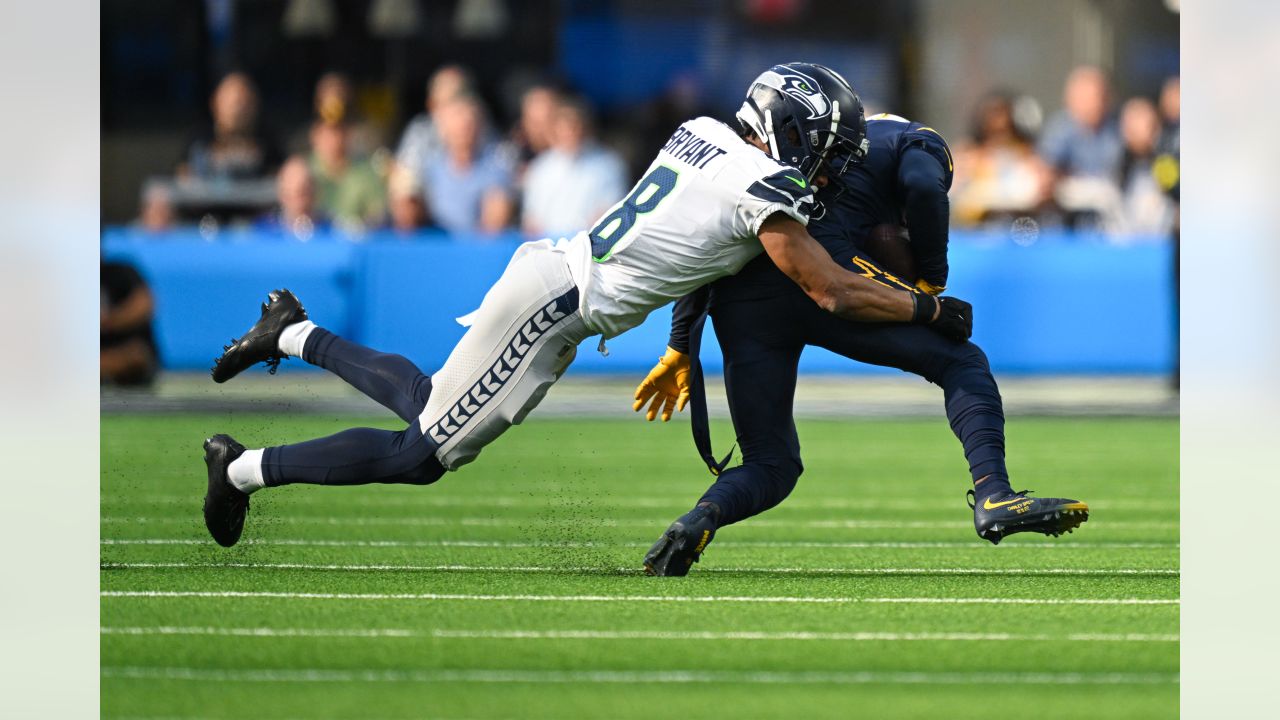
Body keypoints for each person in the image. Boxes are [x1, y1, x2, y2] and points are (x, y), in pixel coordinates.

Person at [198, 63, 974, 549]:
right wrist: (927, 311)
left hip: (553, 282)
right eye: (828, 149)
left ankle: (291, 331)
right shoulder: (759, 188)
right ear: (792, 131)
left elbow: (705, 252)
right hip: (560, 302)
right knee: (423, 455)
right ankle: (242, 471)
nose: (832, 169)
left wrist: (679, 343)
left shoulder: (702, 131)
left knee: (433, 402)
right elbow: (828, 287)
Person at [633, 112, 1089, 576]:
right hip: (823, 269)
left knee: (771, 464)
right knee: (961, 360)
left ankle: (699, 518)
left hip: (740, 299)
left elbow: (711, 245)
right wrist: (932, 281)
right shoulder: (913, 139)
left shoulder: (769, 154)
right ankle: (993, 492)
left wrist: (678, 346)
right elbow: (924, 186)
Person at [521, 97, 628, 238]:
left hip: (590, 248)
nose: (569, 133)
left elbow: (609, 215)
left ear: (585, 128)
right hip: (548, 249)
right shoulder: (540, 168)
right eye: (563, 127)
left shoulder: (608, 165)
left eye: (574, 126)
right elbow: (531, 221)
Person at [1036, 66, 1123, 226]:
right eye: (1090, 97)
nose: (1097, 103)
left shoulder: (1117, 128)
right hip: (1069, 219)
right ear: (1071, 99)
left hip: (1111, 216)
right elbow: (1045, 170)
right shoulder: (1060, 129)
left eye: (1101, 96)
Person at [949, 91, 1051, 226]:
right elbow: (951, 193)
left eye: (1004, 118)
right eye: (992, 117)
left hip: (1020, 223)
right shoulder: (967, 155)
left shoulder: (1028, 154)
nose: (999, 122)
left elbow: (1044, 187)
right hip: (976, 229)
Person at [422, 94, 515, 234]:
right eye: (456, 120)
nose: (463, 128)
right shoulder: (429, 169)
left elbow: (495, 224)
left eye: (469, 124)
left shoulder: (496, 169)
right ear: (443, 127)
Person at [178, 72, 283, 181]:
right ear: (215, 103)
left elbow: (280, 176)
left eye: (245, 102)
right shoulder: (198, 138)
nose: (238, 109)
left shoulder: (269, 141)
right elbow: (182, 177)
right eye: (233, 102)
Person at [308, 118, 387, 232]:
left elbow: (377, 215)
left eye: (339, 132)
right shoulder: (303, 172)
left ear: (348, 134)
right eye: (327, 133)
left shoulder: (366, 172)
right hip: (313, 241)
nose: (334, 140)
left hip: (355, 242)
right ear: (315, 136)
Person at [101, 261, 159, 386]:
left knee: (136, 355)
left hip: (125, 352)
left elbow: (144, 303)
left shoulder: (120, 273)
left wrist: (109, 321)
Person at [255, 155, 329, 240]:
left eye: (304, 193)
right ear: (281, 193)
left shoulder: (333, 231)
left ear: (315, 192)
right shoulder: (263, 231)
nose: (299, 200)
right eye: (291, 194)